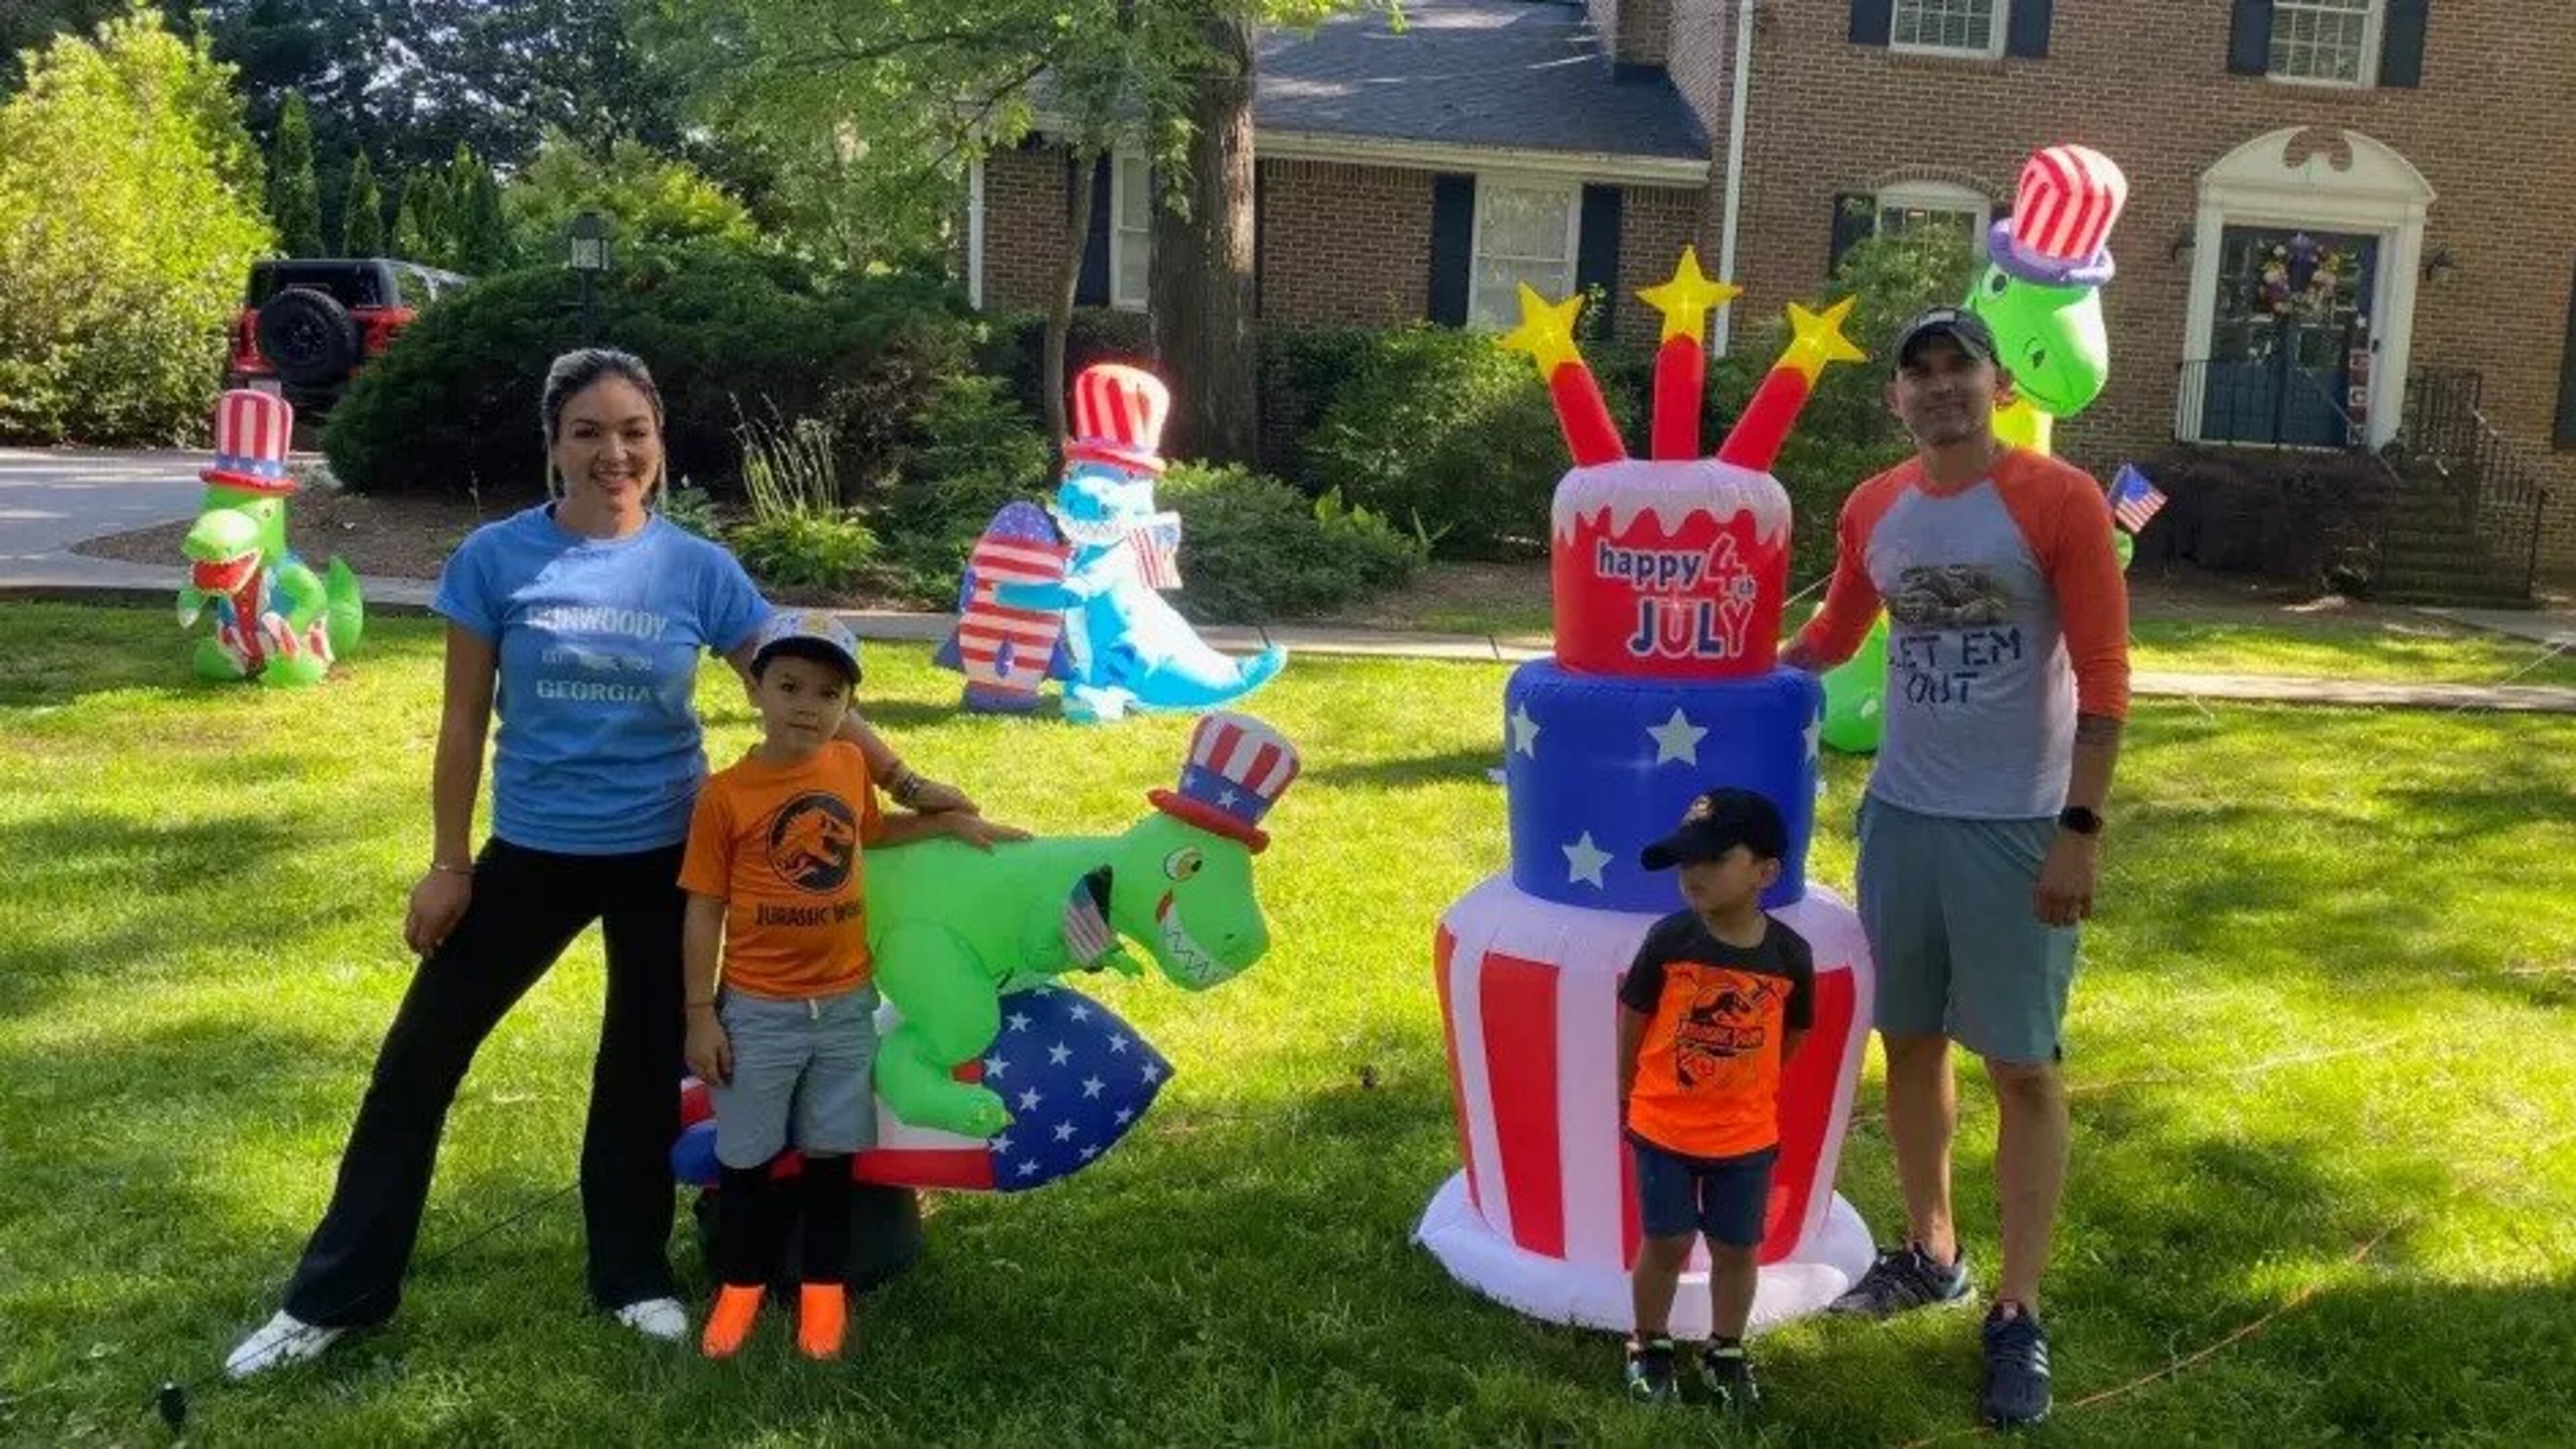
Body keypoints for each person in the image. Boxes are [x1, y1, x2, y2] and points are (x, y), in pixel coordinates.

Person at [225, 350, 1015, 1379]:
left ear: (658, 443)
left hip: (668, 860)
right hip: (532, 856)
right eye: (590, 432)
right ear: (553, 445)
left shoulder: (697, 570)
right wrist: (448, 864)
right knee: (418, 1061)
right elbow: (463, 724)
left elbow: (808, 692)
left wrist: (908, 785)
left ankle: (631, 1274)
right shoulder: (496, 560)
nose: (615, 453)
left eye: (633, 431)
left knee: (641, 1072)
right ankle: (334, 1296)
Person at [1780, 307, 2131, 1429]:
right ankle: (1934, 1250)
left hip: (2018, 826)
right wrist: (1722, 675)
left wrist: (2080, 827)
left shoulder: (2056, 499)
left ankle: (2018, 1313)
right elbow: (1830, 638)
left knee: (2022, 1067)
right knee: (1911, 1040)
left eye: (1958, 368)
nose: (1940, 388)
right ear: (1896, 397)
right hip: (1903, 817)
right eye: (1919, 372)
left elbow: (2109, 678)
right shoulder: (1875, 509)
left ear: (1994, 384)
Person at [680, 609, 973, 1360]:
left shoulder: (846, 768)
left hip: (845, 1006)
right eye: (789, 686)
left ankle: (822, 1296)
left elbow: (867, 838)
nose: (807, 705)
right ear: (755, 691)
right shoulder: (725, 796)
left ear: (847, 709)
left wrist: (941, 824)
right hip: (759, 1012)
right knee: (745, 1160)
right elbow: (704, 908)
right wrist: (701, 1015)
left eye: (828, 693)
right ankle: (740, 1291)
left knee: (832, 1156)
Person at [1616, 788, 1814, 1413]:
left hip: (1745, 1137)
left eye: (1711, 860)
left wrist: (1745, 1084)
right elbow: (1635, 1018)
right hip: (1664, 1127)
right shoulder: (1669, 940)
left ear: (1765, 872)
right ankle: (1648, 1343)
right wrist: (1631, 1096)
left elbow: (1794, 1033)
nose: (1692, 873)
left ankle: (1726, 1348)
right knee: (1666, 1242)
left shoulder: (1789, 956)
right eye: (1685, 860)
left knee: (1736, 1248)